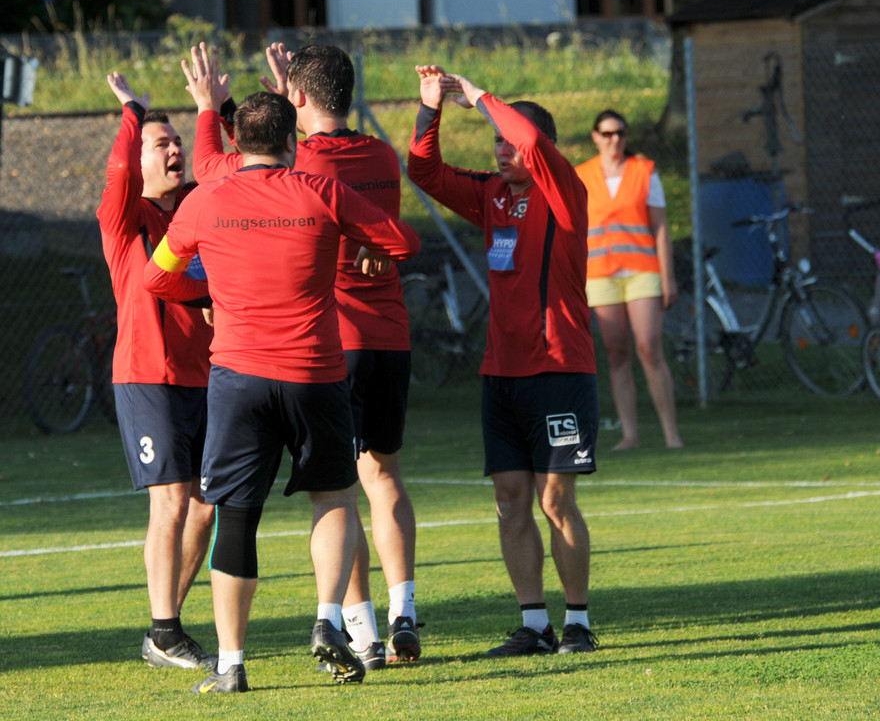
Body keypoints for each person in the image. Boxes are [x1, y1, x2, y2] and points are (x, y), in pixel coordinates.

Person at [143, 90, 421, 694]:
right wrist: (369, 249)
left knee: (236, 517)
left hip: (237, 378)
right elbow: (405, 242)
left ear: (237, 143)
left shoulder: (204, 199)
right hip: (315, 373)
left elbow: (157, 276)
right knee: (335, 498)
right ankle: (326, 620)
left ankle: (232, 665)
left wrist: (209, 294)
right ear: (293, 141)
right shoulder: (321, 191)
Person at [407, 66, 599, 655]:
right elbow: (424, 172)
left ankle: (578, 623)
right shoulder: (492, 194)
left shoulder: (563, 190)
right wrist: (431, 109)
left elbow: (533, 139)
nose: (502, 150)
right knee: (510, 500)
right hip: (501, 374)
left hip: (558, 368)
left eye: (508, 141)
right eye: (496, 142)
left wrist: (478, 96)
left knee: (555, 500)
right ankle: (534, 624)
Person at [97, 72, 215, 671]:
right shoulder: (126, 218)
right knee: (170, 500)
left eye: (177, 141)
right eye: (160, 143)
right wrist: (131, 113)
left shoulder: (197, 209)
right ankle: (167, 632)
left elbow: (240, 172)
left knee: (205, 505)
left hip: (206, 375)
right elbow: (118, 170)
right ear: (140, 159)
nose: (174, 150)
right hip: (148, 376)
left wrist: (219, 109)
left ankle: (163, 627)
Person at [575, 110, 683, 450]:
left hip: (641, 269)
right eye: (607, 134)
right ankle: (630, 435)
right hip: (600, 273)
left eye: (620, 133)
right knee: (616, 351)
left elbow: (660, 228)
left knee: (649, 346)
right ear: (595, 136)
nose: (615, 140)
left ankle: (672, 435)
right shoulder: (582, 175)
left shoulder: (643, 171)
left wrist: (668, 277)